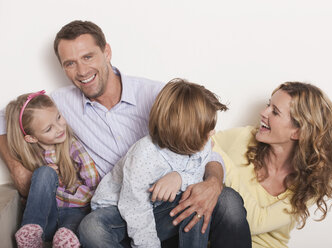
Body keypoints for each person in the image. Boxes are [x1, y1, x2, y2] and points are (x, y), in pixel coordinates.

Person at [0, 20, 251, 247]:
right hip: (119, 208)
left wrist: (213, 183)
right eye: (70, 63)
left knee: (228, 201)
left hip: (170, 199)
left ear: (106, 52)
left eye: (88, 57)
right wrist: (18, 169)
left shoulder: (158, 96)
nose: (82, 71)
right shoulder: (60, 105)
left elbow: (204, 149)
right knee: (92, 228)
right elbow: (5, 118)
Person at [81, 79, 228, 248]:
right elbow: (136, 210)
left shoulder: (202, 144)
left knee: (196, 199)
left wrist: (179, 178)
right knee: (91, 228)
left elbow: (199, 175)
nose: (213, 133)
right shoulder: (144, 155)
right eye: (207, 130)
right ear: (185, 133)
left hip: (159, 209)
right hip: (121, 210)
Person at [212, 82, 332, 248]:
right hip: (217, 241)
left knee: (227, 198)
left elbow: (255, 223)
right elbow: (197, 146)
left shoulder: (310, 183)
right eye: (268, 105)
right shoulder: (243, 138)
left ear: (298, 132)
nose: (263, 113)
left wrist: (220, 161)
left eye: (274, 112)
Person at [5, 91, 100, 248]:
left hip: (75, 211)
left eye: (58, 117)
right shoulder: (32, 157)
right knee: (44, 173)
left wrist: (69, 198)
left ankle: (65, 241)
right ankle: (31, 233)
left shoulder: (73, 147)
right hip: (46, 218)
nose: (59, 128)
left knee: (68, 230)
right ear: (32, 138)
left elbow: (93, 184)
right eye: (48, 129)